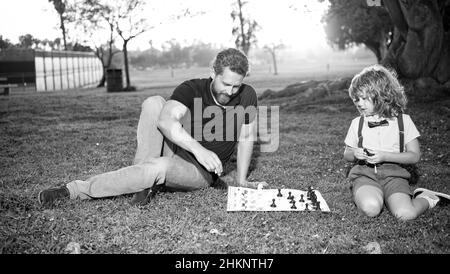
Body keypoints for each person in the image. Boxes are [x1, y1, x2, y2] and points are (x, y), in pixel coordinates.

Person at [38, 48, 266, 207]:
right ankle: (137, 185)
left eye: (237, 85)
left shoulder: (247, 95)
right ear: (212, 73)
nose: (230, 91)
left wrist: (243, 180)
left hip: (201, 172)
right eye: (226, 83)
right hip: (185, 149)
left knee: (158, 166)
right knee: (154, 103)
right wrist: (200, 150)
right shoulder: (192, 88)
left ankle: (78, 189)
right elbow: (166, 121)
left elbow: (246, 136)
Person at [343, 64, 449, 220]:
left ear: (381, 95)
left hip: (395, 176)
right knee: (370, 208)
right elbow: (347, 154)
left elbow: (414, 156)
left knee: (405, 214)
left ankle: (427, 198)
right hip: (365, 175)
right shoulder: (357, 123)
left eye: (364, 98)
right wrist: (354, 153)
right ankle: (369, 194)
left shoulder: (403, 122)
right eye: (356, 99)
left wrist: (385, 156)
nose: (359, 103)